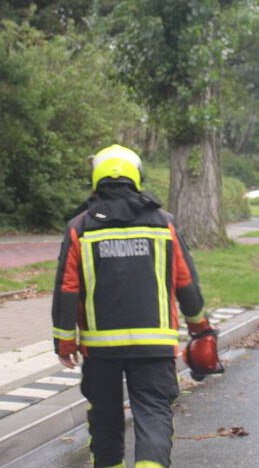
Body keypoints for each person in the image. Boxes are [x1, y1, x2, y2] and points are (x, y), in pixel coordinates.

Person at [51, 144, 209, 468]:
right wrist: (200, 328)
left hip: (100, 349)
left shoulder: (80, 227)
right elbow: (185, 281)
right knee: (154, 411)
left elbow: (67, 289)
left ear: (96, 180)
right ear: (137, 177)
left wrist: (65, 341)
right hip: (155, 344)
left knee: (104, 416)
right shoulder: (164, 224)